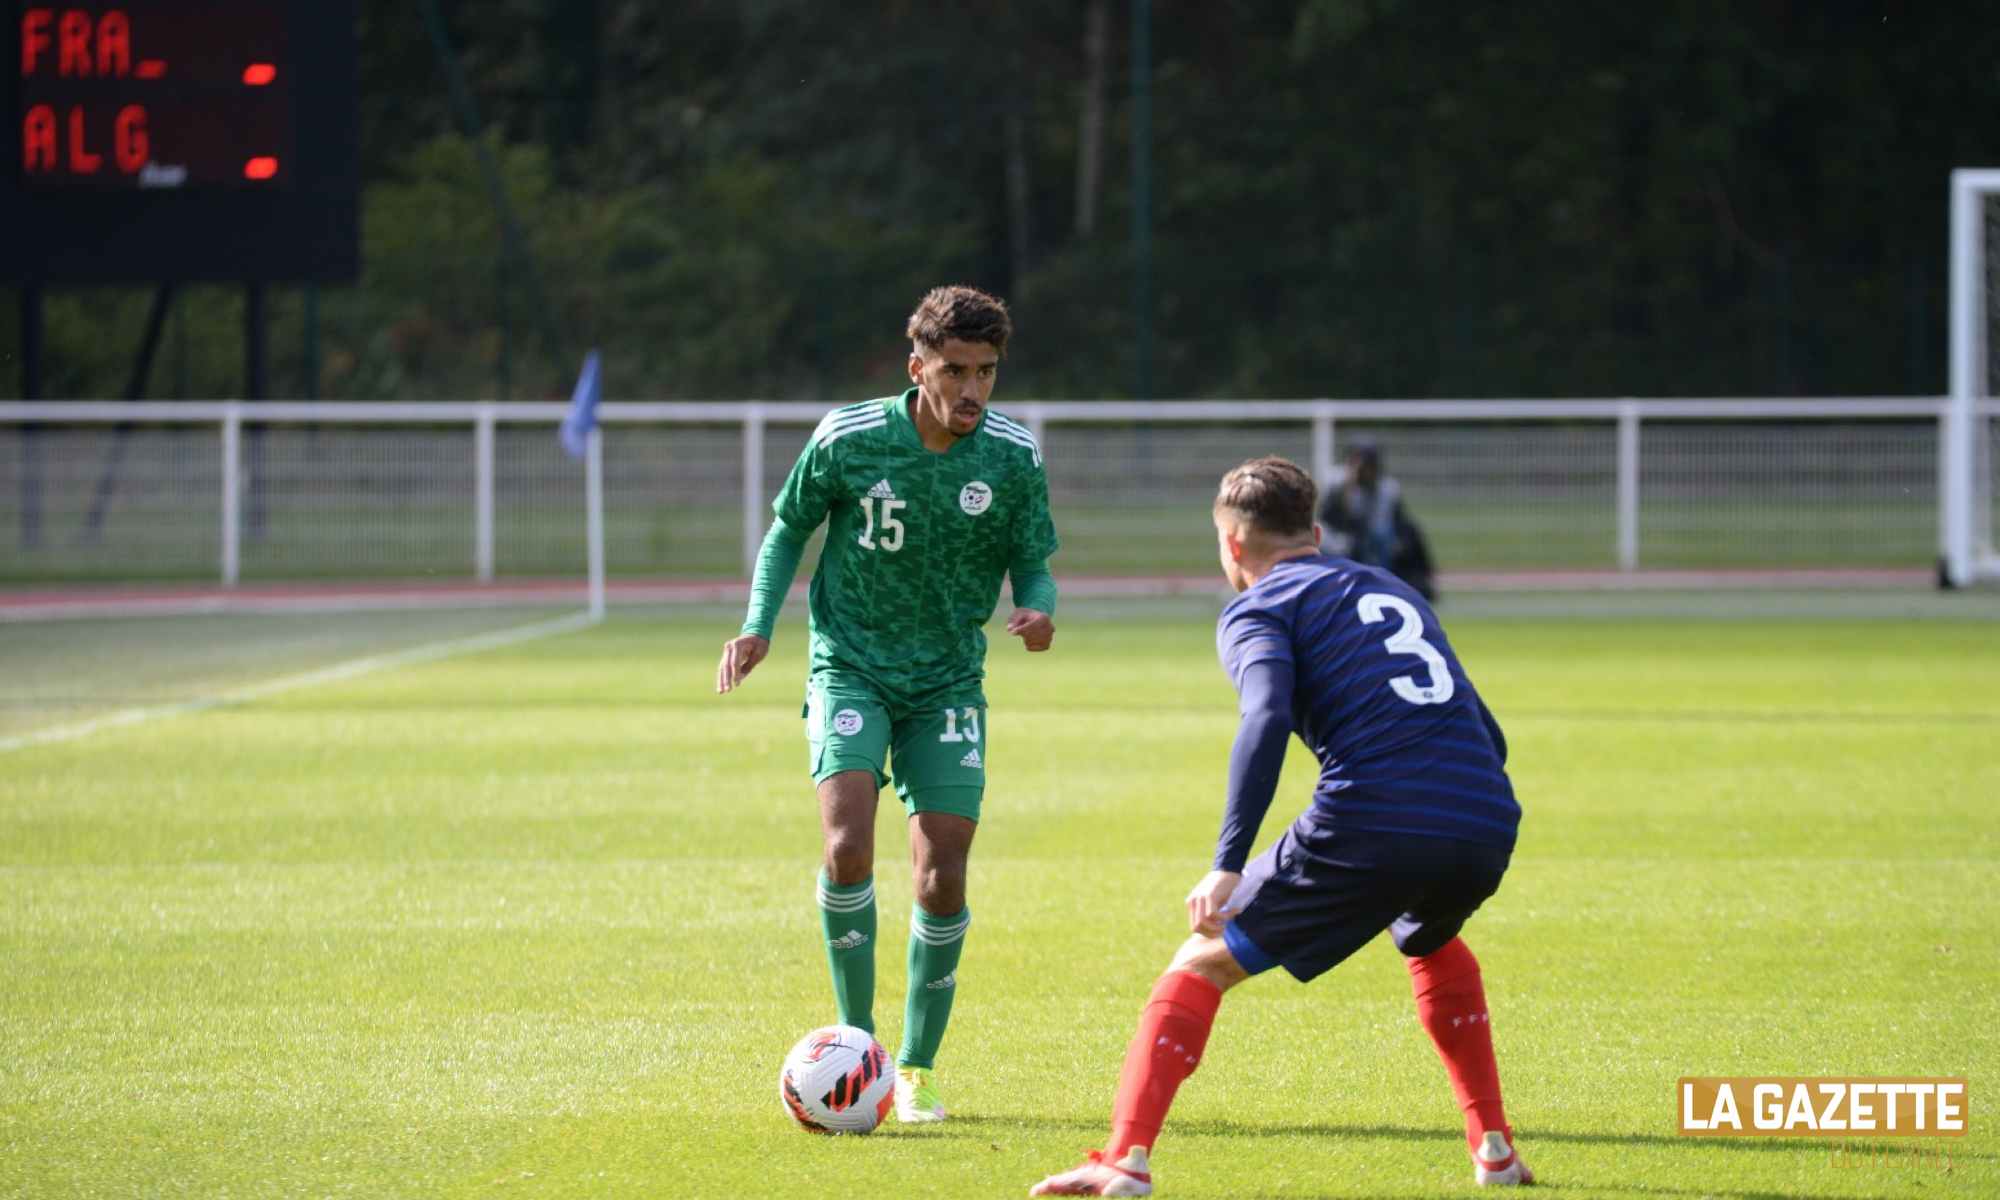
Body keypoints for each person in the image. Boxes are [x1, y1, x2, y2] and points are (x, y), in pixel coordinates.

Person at [1030, 456, 1527, 1195]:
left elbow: (1263, 715)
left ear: (1232, 545)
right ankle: (1494, 1150)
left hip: (1377, 815)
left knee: (1199, 960)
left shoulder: (1259, 607)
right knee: (1430, 935)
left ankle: (1124, 1161)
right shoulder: (1388, 584)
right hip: (1486, 816)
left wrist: (1228, 861)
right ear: (1316, 533)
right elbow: (1488, 732)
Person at [716, 284, 1059, 1124]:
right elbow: (788, 528)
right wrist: (759, 623)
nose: (973, 389)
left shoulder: (1013, 457)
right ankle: (855, 1044)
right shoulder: (849, 436)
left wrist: (1041, 607)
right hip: (852, 666)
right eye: (956, 370)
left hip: (946, 680)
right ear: (919, 368)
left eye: (987, 371)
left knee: (942, 873)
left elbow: (1034, 558)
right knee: (846, 845)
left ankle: (917, 1068)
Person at [1318, 440, 1439, 601]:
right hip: (1341, 540)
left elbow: (1400, 525)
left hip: (1378, 543)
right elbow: (1329, 519)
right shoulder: (1336, 483)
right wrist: (1349, 486)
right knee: (1342, 543)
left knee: (1387, 538)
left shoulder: (1388, 488)